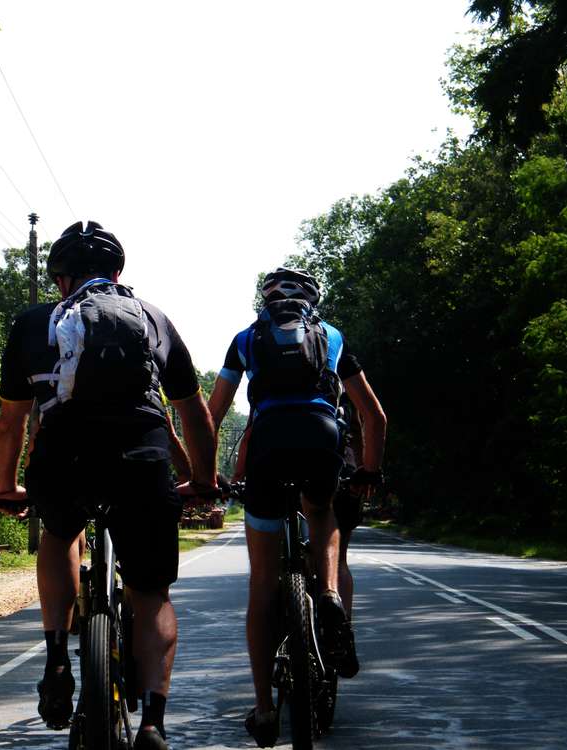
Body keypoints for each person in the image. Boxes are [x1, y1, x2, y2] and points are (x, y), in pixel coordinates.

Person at [0, 220, 218, 750]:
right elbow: (194, 413)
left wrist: (4, 487)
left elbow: (11, 423)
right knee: (151, 593)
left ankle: (56, 659)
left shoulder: (33, 324)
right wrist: (203, 481)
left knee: (60, 533)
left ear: (60, 279)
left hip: (63, 458)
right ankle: (154, 723)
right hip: (141, 458)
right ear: (118, 273)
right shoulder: (153, 318)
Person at [206, 267, 386, 747]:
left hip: (267, 442)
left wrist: (207, 474)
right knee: (321, 510)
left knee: (262, 582)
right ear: (312, 302)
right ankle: (328, 594)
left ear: (265, 302)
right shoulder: (331, 337)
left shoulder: (246, 339)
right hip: (321, 436)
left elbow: (212, 414)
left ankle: (265, 709)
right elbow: (374, 415)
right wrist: (369, 471)